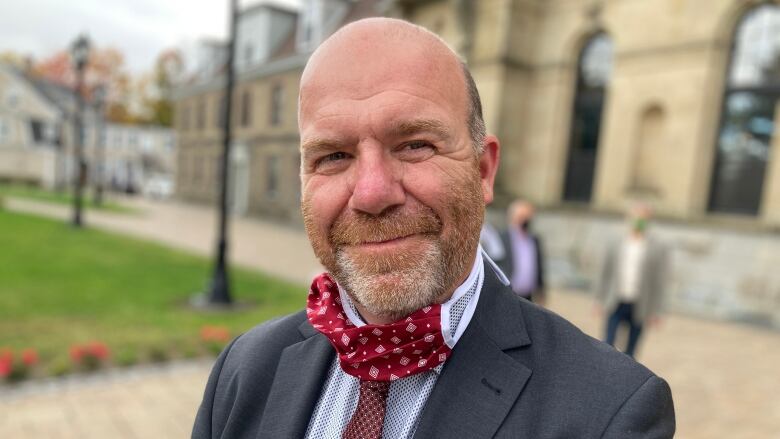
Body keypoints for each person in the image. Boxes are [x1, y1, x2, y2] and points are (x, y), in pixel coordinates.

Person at [192, 18, 675, 439]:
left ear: (483, 171)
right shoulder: (244, 369)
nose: (372, 193)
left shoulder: (609, 412)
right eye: (333, 156)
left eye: (415, 145)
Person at [595, 203, 669, 358]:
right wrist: (599, 300)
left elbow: (659, 281)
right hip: (616, 300)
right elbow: (605, 272)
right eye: (636, 216)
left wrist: (657, 311)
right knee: (607, 345)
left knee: (631, 351)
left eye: (644, 218)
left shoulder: (658, 246)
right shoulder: (616, 241)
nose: (639, 221)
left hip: (640, 304)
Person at [495, 200, 547, 305]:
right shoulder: (501, 238)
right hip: (507, 293)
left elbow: (539, 266)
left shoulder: (534, 239)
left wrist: (541, 290)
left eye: (528, 217)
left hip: (528, 296)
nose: (525, 221)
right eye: (522, 216)